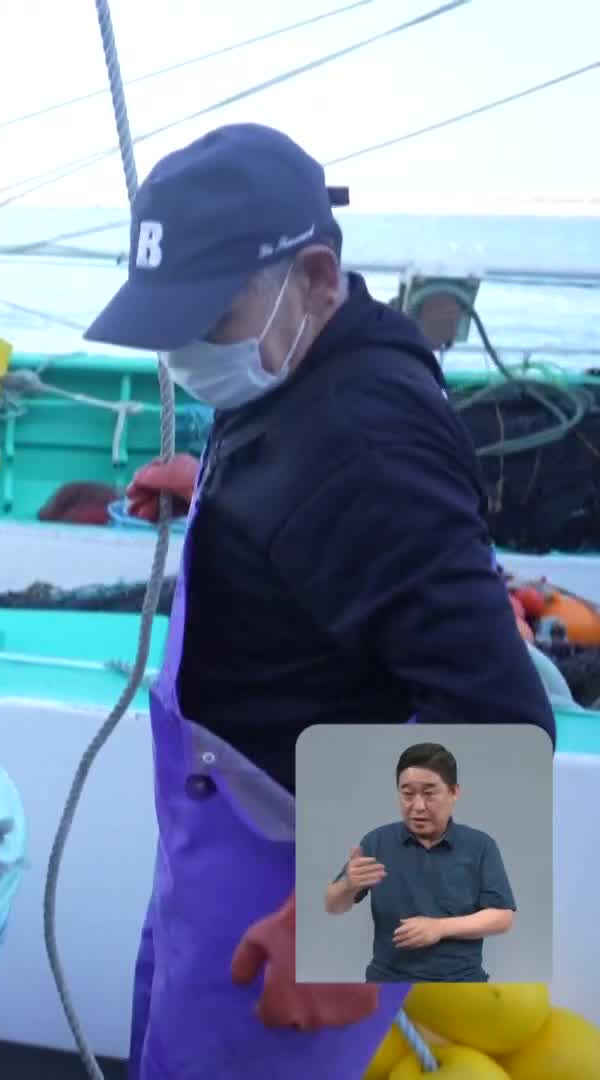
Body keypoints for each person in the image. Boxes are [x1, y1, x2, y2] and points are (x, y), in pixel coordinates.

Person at [83, 123, 557, 1078]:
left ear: (317, 279)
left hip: (295, 897)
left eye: (206, 319)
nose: (183, 353)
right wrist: (223, 497)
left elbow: (508, 731)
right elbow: (296, 464)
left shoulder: (368, 453)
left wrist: (342, 918)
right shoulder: (295, 358)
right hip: (212, 857)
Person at [325, 742, 516, 983]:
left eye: (429, 793)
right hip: (388, 981)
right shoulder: (377, 842)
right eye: (407, 794)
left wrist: (440, 928)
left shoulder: (480, 845)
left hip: (461, 982)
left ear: (454, 792)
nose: (417, 806)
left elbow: (503, 917)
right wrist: (348, 885)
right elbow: (333, 906)